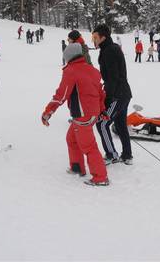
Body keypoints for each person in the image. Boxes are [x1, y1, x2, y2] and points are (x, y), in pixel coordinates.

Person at [41, 43, 109, 186]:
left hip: (83, 116)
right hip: (91, 114)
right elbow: (100, 93)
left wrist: (48, 111)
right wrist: (101, 110)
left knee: (89, 146)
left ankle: (100, 177)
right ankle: (77, 167)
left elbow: (61, 95)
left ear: (68, 57)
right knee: (71, 139)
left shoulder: (71, 71)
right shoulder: (92, 70)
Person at [92, 24, 133, 165]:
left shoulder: (109, 51)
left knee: (102, 123)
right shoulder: (109, 48)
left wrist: (109, 98)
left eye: (95, 37)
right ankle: (127, 155)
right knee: (120, 124)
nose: (93, 40)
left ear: (103, 37)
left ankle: (111, 155)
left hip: (117, 94)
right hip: (124, 93)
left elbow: (113, 77)